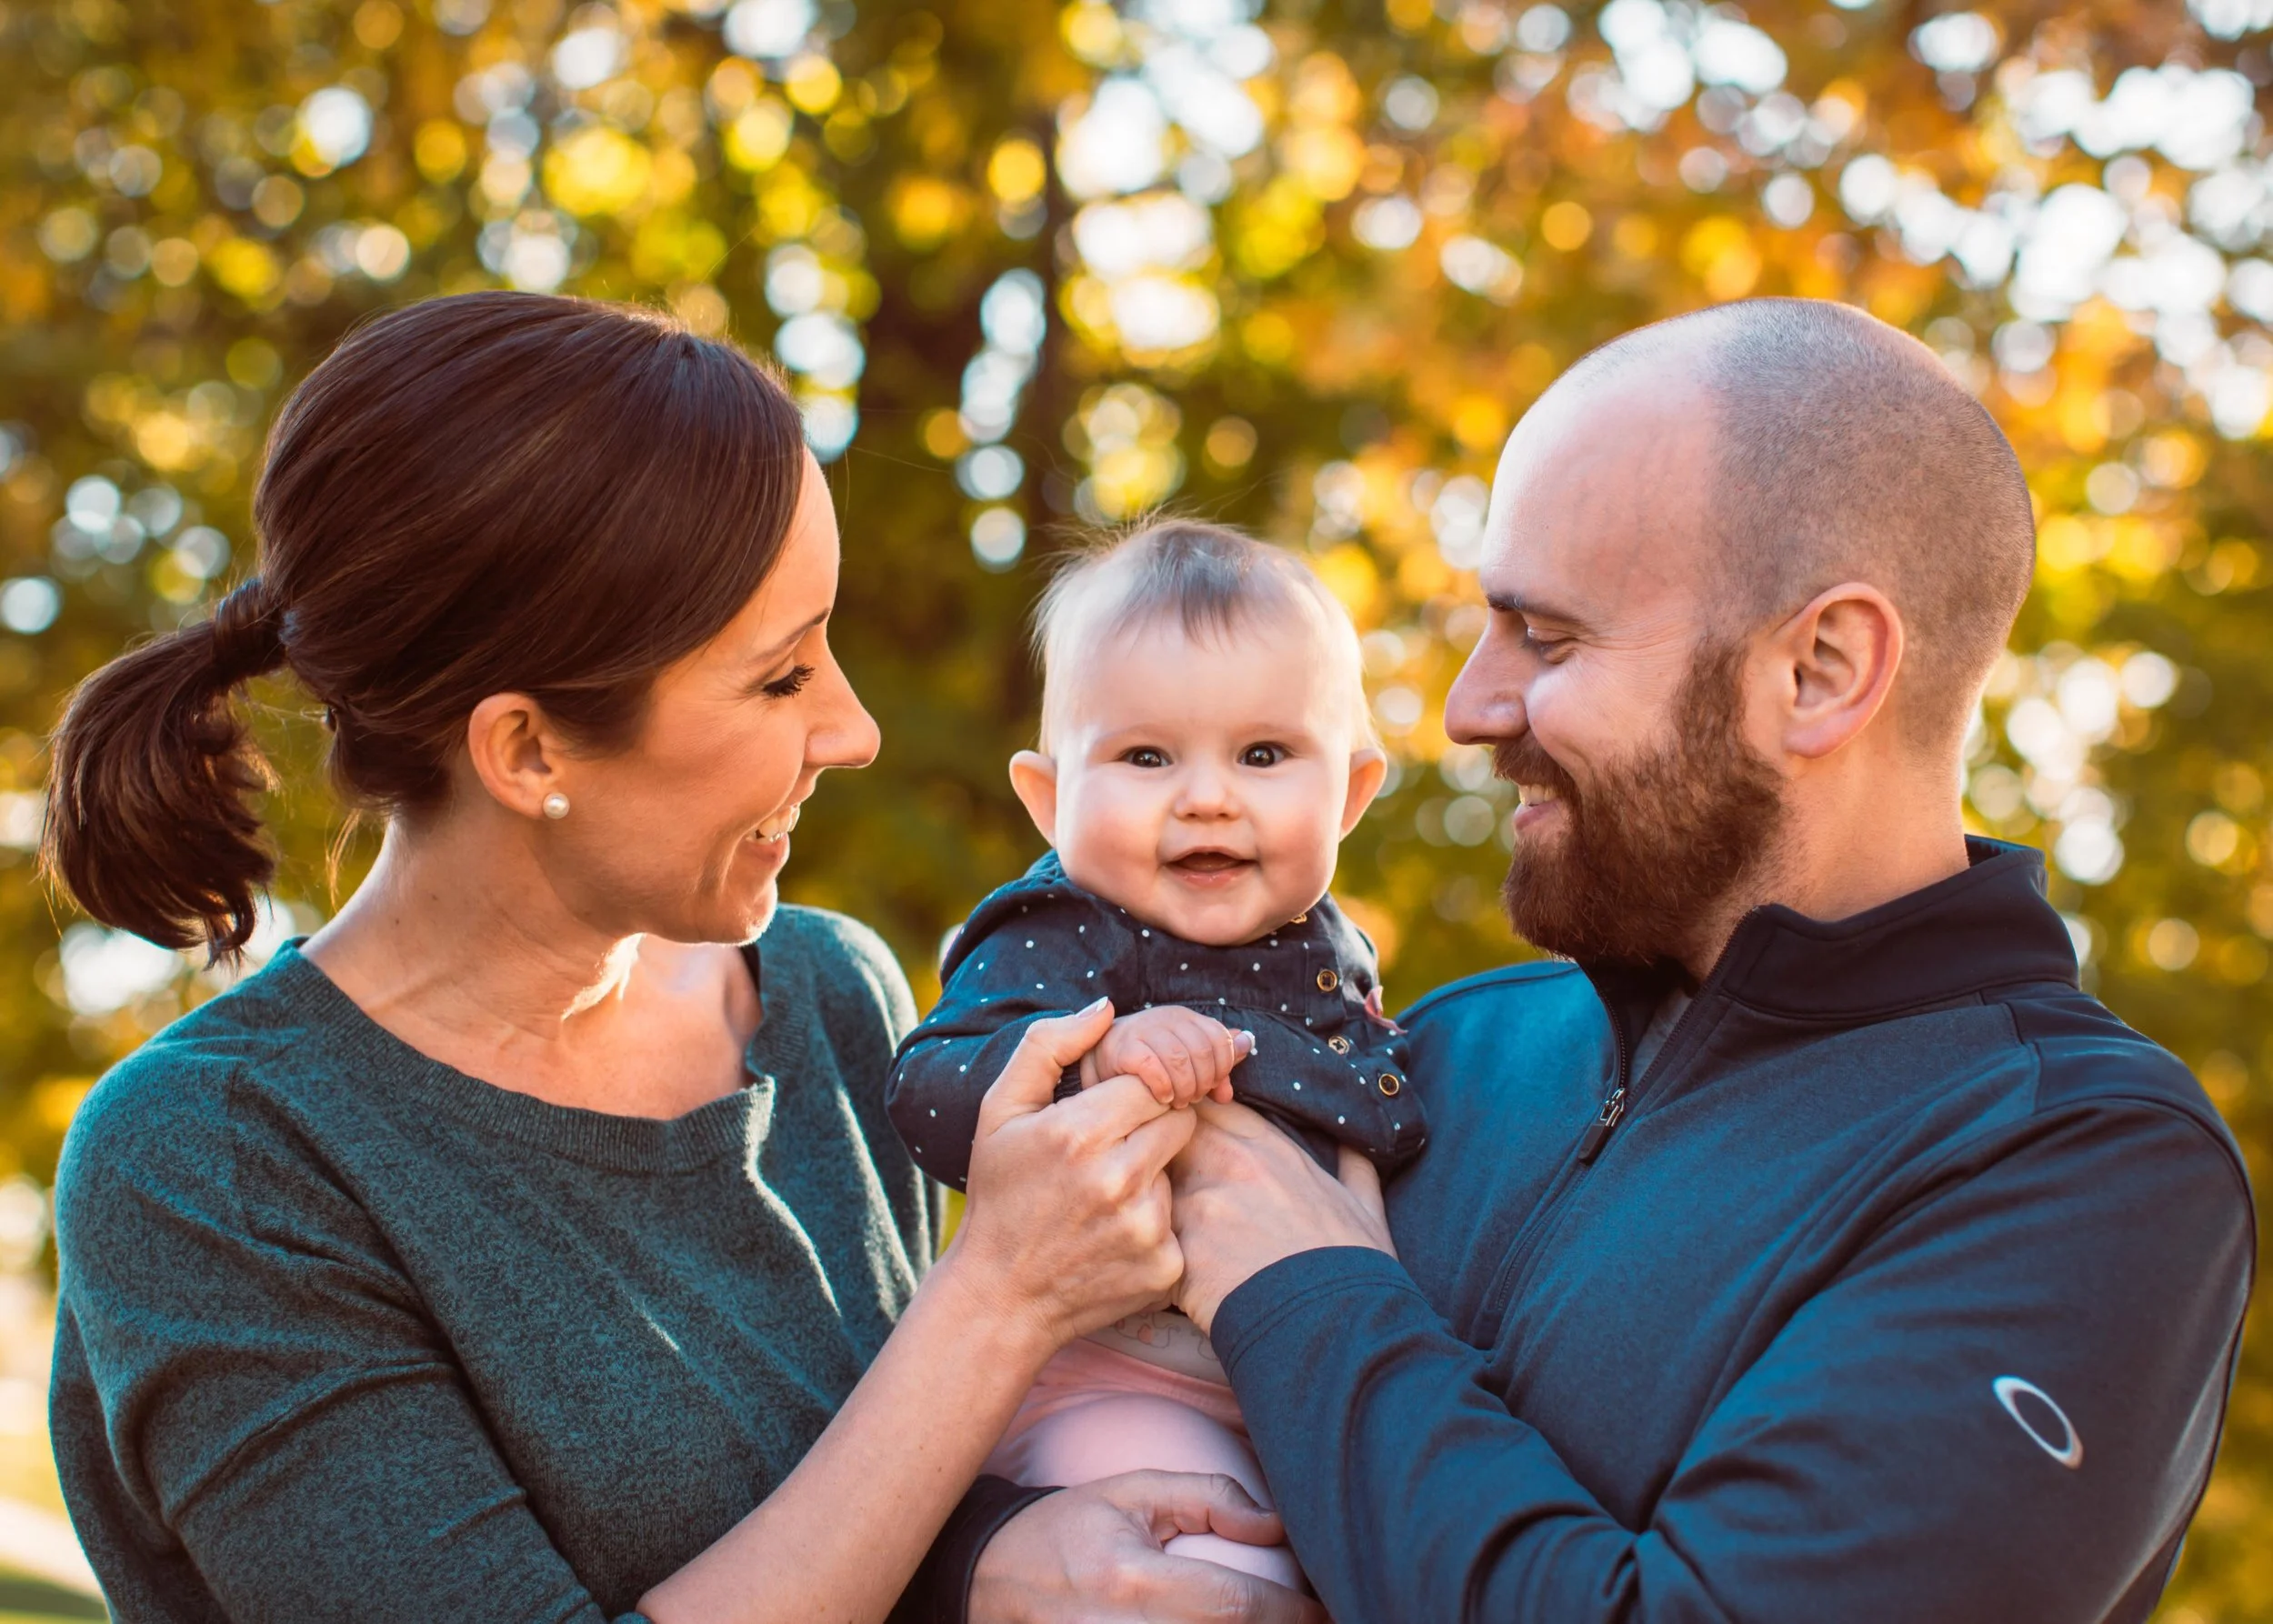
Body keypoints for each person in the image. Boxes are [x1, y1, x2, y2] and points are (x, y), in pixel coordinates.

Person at [40, 292, 1319, 1624]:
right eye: (781, 679)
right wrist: (998, 1296)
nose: (855, 730)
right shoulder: (215, 1166)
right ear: (528, 751)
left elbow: (865, 1498)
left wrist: (982, 1560)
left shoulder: (828, 996)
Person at [1156, 298, 2257, 1621]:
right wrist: (994, 1559)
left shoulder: (2075, 1164)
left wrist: (1312, 1296)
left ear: (1820, 670)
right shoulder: (1433, 1053)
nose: (1468, 707)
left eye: (1547, 638)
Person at [886, 522, 1421, 1589]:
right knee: (1213, 1573)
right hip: (1109, 1380)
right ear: (1048, 798)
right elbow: (929, 1086)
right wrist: (1093, 1059)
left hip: (1287, 1383)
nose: (1208, 796)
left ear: (1353, 794)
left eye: (1262, 755)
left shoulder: (1336, 957)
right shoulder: (1066, 928)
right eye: (1145, 757)